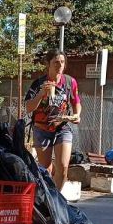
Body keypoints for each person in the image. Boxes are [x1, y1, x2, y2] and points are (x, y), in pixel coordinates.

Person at [24, 50, 81, 189]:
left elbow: (76, 102)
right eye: (56, 62)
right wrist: (41, 94)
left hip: (62, 127)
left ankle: (57, 198)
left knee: (63, 166)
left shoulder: (70, 82)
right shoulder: (38, 83)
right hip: (42, 128)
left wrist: (76, 115)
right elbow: (29, 108)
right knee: (46, 169)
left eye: (62, 62)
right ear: (48, 64)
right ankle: (49, 192)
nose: (59, 65)